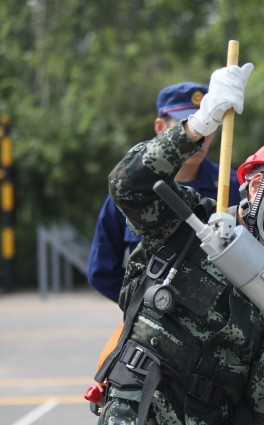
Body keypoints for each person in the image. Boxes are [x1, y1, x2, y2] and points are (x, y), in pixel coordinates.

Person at [91, 62, 264, 425]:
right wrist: (196, 126)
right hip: (141, 424)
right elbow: (127, 184)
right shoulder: (190, 223)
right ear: (257, 191)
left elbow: (262, 409)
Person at [87, 81, 242, 303]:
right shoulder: (133, 192)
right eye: (189, 124)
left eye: (210, 125)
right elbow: (101, 271)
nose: (202, 136)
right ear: (161, 127)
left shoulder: (232, 186)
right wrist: (143, 304)